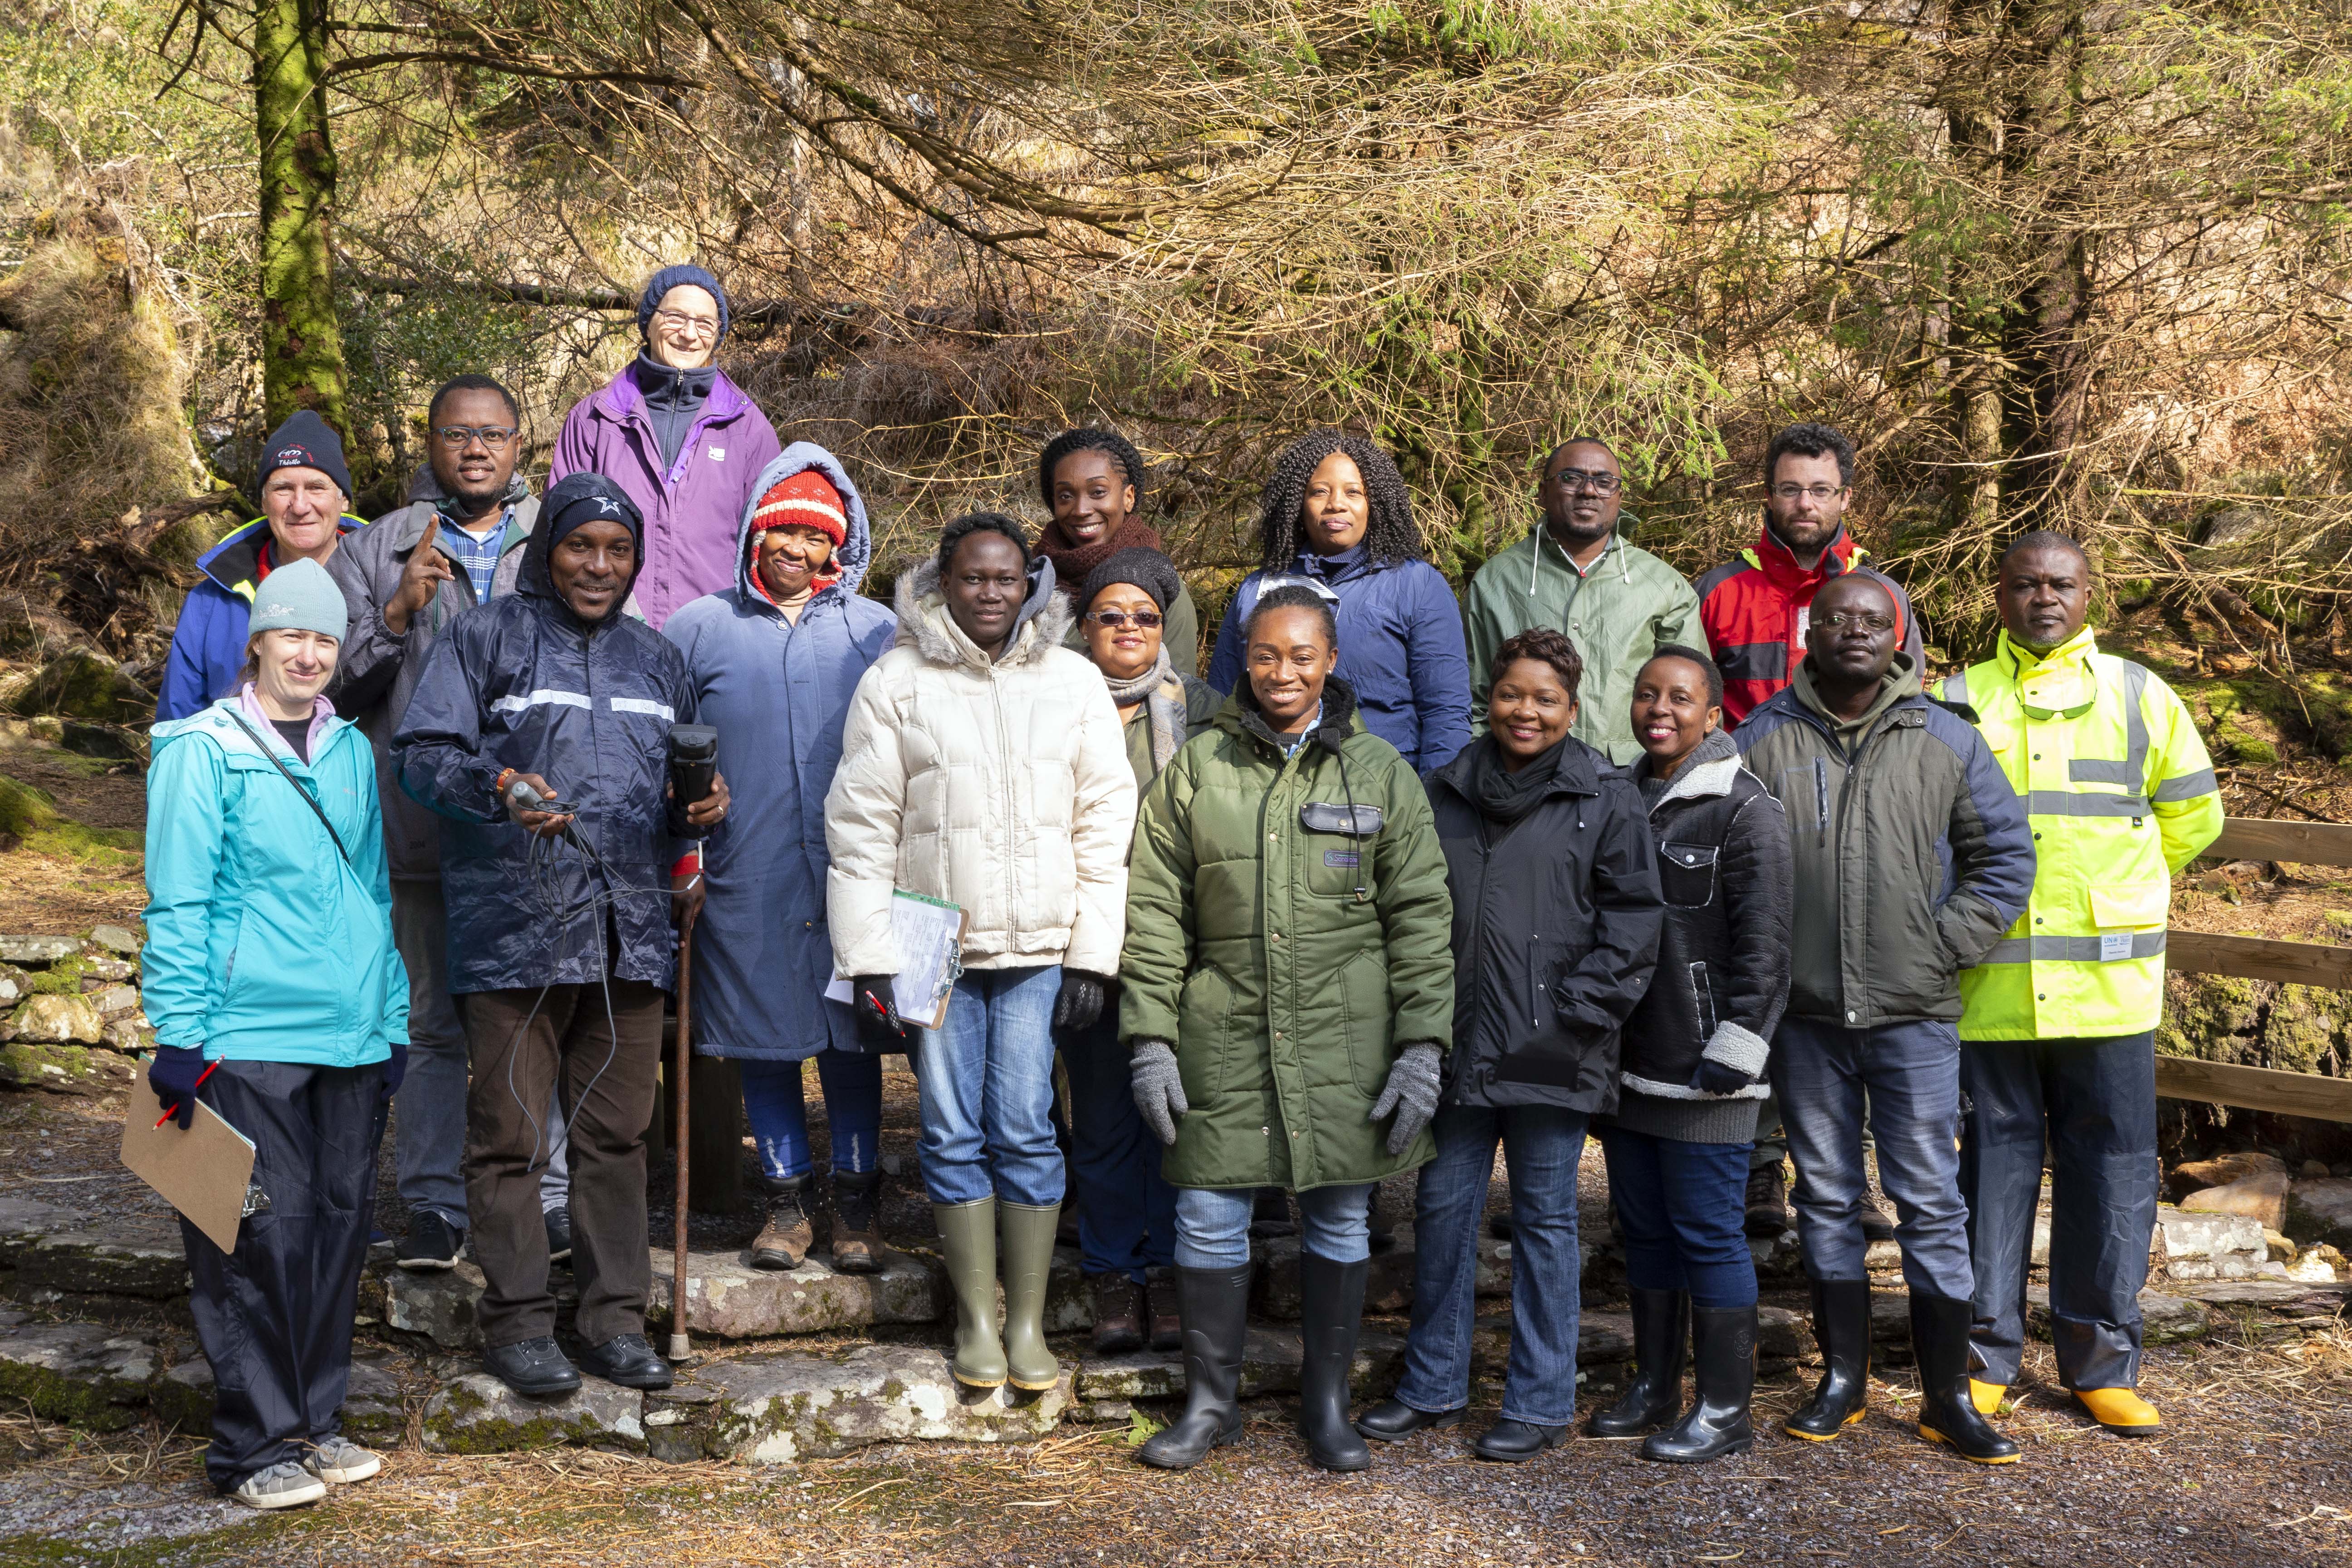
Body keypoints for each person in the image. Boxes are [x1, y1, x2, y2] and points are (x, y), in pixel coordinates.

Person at [395, 472, 730, 1398]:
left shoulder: (659, 660)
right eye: (582, 546)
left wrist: (701, 810)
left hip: (630, 935)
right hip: (514, 929)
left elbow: (677, 806)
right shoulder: (483, 638)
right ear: (549, 551)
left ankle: (615, 1320)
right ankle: (518, 1322)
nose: (599, 565)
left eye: (618, 551)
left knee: (617, 1138)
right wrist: (498, 788)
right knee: (508, 1138)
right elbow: (425, 756)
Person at [1123, 585, 1456, 1474]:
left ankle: (1327, 1405)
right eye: (1266, 655)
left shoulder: (1380, 772)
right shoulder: (1196, 768)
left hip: (1347, 1036)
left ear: (1331, 662)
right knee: (1205, 1218)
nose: (1282, 673)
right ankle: (1209, 1404)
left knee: (1341, 1222)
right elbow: (1155, 909)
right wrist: (1150, 1034)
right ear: (1243, 659)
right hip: (1222, 1029)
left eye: (1301, 657)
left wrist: (1424, 1045)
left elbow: (1421, 915)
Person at [825, 515, 1136, 1393]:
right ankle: (975, 1322)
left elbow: (1104, 821)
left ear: (1030, 582)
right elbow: (861, 826)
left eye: (1006, 578)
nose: (991, 593)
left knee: (1028, 1128)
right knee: (953, 1131)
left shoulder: (1073, 683)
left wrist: (1092, 955)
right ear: (943, 583)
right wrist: (869, 953)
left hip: (1041, 948)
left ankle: (1029, 1324)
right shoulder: (896, 682)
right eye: (973, 578)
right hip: (938, 948)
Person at [1734, 572, 2035, 1464]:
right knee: (1825, 1192)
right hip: (1808, 1020)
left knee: (1929, 1200)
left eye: (1871, 619)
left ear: (1895, 633)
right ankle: (1843, 1382)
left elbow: (2004, 855)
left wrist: (1944, 943)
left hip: (1913, 1014)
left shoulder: (1945, 737)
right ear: (1811, 632)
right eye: (1837, 618)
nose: (1854, 631)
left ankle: (1948, 1395)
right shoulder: (1761, 740)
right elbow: (1727, 866)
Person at [1938, 532, 2221, 1437]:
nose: (2043, 598)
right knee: (1990, 1176)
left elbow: (2194, 820)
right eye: (2025, 583)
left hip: (2109, 995)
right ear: (1998, 592)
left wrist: (2120, 894)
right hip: (1990, 993)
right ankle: (1982, 1359)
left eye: (2060, 583)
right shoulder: (1955, 699)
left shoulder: (2141, 697)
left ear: (2088, 591)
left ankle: (2102, 1364)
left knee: (2113, 1177)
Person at [1361, 628, 1662, 1461]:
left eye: (1545, 699)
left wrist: (1576, 1011)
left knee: (1544, 1220)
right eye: (1511, 694)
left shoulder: (1605, 796)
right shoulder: (1445, 788)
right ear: (1488, 696)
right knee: (1443, 1212)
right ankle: (1431, 1385)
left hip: (1554, 1045)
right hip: (1457, 1041)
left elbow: (1636, 921)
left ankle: (1537, 1398)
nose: (1524, 712)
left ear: (1571, 708)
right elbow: (1411, 907)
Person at [142, 559, 406, 1509]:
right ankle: (252, 1448)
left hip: (349, 1034)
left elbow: (371, 894)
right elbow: (177, 902)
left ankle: (313, 1422)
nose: (308, 654)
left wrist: (392, 1019)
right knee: (253, 1240)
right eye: (292, 635)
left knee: (335, 1233)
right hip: (243, 1033)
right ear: (257, 642)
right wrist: (179, 1035)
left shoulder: (347, 751)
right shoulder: (199, 749)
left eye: (327, 639)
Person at [329, 374, 567, 1272]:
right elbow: (339, 689)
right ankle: (432, 1207)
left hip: (529, 836)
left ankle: (547, 1204)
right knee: (430, 1025)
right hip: (422, 830)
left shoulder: (559, 536)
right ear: (430, 443)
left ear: (520, 447)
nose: (476, 448)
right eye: (458, 434)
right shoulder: (378, 546)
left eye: (493, 434)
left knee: (535, 1019)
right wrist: (397, 613)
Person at [663, 448, 897, 1273]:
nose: (793, 549)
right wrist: (686, 799)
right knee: (766, 1040)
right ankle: (786, 1202)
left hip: (853, 869)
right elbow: (665, 745)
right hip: (747, 870)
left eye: (811, 534)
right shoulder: (697, 628)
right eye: (778, 532)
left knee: (852, 1038)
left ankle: (861, 1206)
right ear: (752, 536)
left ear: (838, 545)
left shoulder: (878, 631)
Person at [1694, 422, 1919, 1239]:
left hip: (1851, 830)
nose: (1806, 503)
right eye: (1791, 488)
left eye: (1822, 489)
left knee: (1843, 998)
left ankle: (1844, 1177)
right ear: (1768, 494)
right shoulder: (1719, 590)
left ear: (1846, 497)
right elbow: (1695, 708)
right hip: (1746, 820)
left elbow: (1909, 714)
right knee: (1753, 990)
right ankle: (1755, 1173)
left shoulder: (1882, 596)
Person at [1589, 645, 1792, 1463]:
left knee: (1708, 1231)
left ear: (1714, 715)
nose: (1660, 709)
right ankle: (1656, 1383)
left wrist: (1738, 1045)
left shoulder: (1744, 810)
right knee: (1643, 1229)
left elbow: (1769, 945)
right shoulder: (1622, 798)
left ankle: (1724, 1406)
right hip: (1631, 1059)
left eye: (1679, 697)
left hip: (1708, 1068)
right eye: (1646, 694)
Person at [1064, 546, 1221, 1353]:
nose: (1128, 628)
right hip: (1086, 939)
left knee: (1173, 1114)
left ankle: (1168, 1271)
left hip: (1182, 946)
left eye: (1146, 616)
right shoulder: (1051, 697)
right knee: (1100, 1120)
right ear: (1083, 624)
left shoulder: (1202, 708)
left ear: (1167, 626)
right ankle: (1112, 1274)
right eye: (1110, 614)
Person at [1205, 430, 1471, 775]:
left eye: (1353, 492)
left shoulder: (1417, 585)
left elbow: (1446, 712)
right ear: (1296, 503)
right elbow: (1223, 698)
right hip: (1268, 783)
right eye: (1319, 491)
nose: (1336, 503)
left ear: (1375, 504)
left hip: (1382, 786)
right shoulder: (1257, 588)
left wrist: (1433, 803)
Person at [550, 264, 783, 628]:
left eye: (705, 323)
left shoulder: (748, 428)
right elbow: (561, 533)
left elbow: (769, 541)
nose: (689, 334)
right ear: (648, 321)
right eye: (675, 317)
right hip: (609, 632)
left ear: (718, 334)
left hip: (715, 635)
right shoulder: (595, 419)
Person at [1461, 438, 1697, 763]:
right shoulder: (1494, 581)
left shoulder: (1663, 585)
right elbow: (1475, 698)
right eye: (1571, 478)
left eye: (1604, 482)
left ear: (1618, 496)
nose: (1589, 491)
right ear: (1542, 492)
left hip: (1629, 779)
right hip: (1522, 779)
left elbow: (1692, 703)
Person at [159, 411, 362, 720]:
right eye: (283, 488)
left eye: (316, 487)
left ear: (343, 499)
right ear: (264, 502)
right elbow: (177, 724)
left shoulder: (386, 587)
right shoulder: (211, 603)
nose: (300, 505)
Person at [1035, 428, 1201, 676]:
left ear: (1128, 497)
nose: (1081, 509)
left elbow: (1181, 689)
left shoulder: (1161, 583)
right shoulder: (1030, 581)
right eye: (1066, 496)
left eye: (1098, 492)